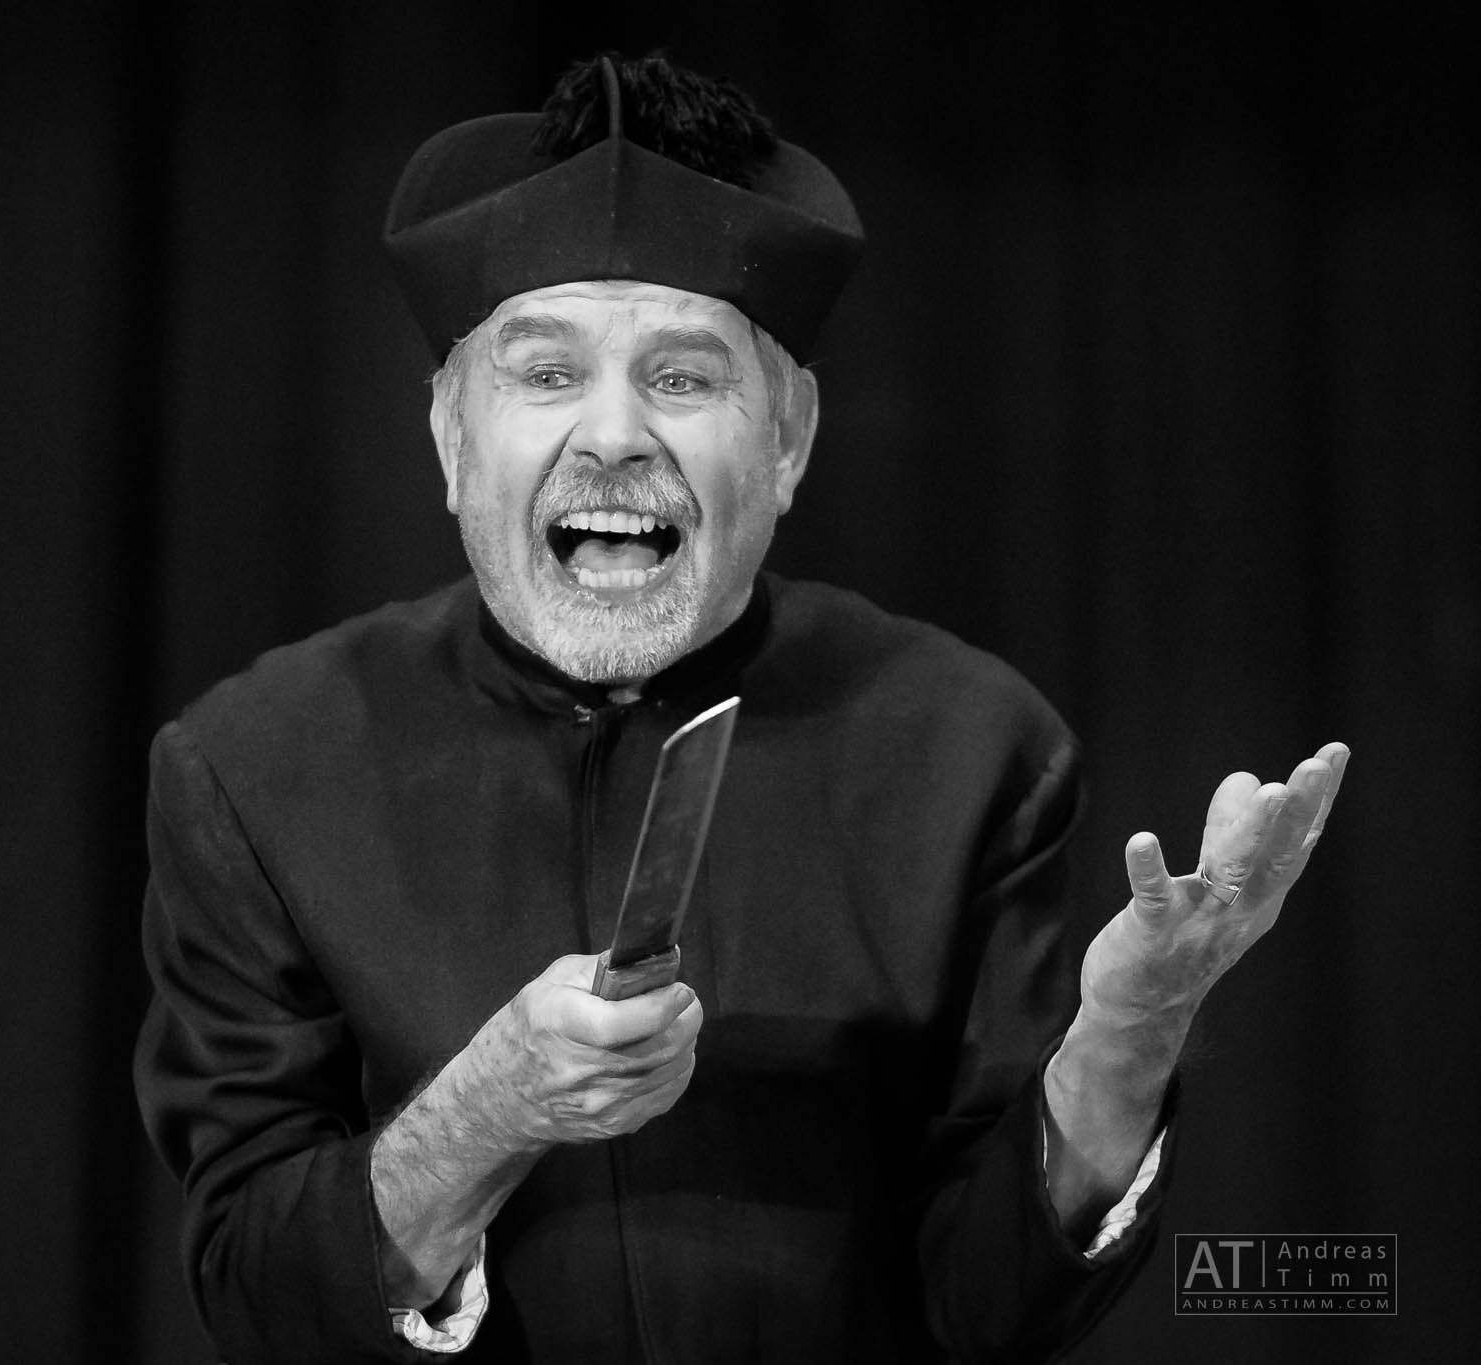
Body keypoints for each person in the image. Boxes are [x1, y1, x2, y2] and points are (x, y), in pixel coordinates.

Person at [133, 54, 1348, 1364]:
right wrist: (490, 1111)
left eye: (681, 378)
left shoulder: (973, 747)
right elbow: (258, 1295)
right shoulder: (253, 768)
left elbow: (988, 1314)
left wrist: (1123, 1041)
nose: (611, 436)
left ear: (788, 438)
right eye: (545, 375)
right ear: (448, 438)